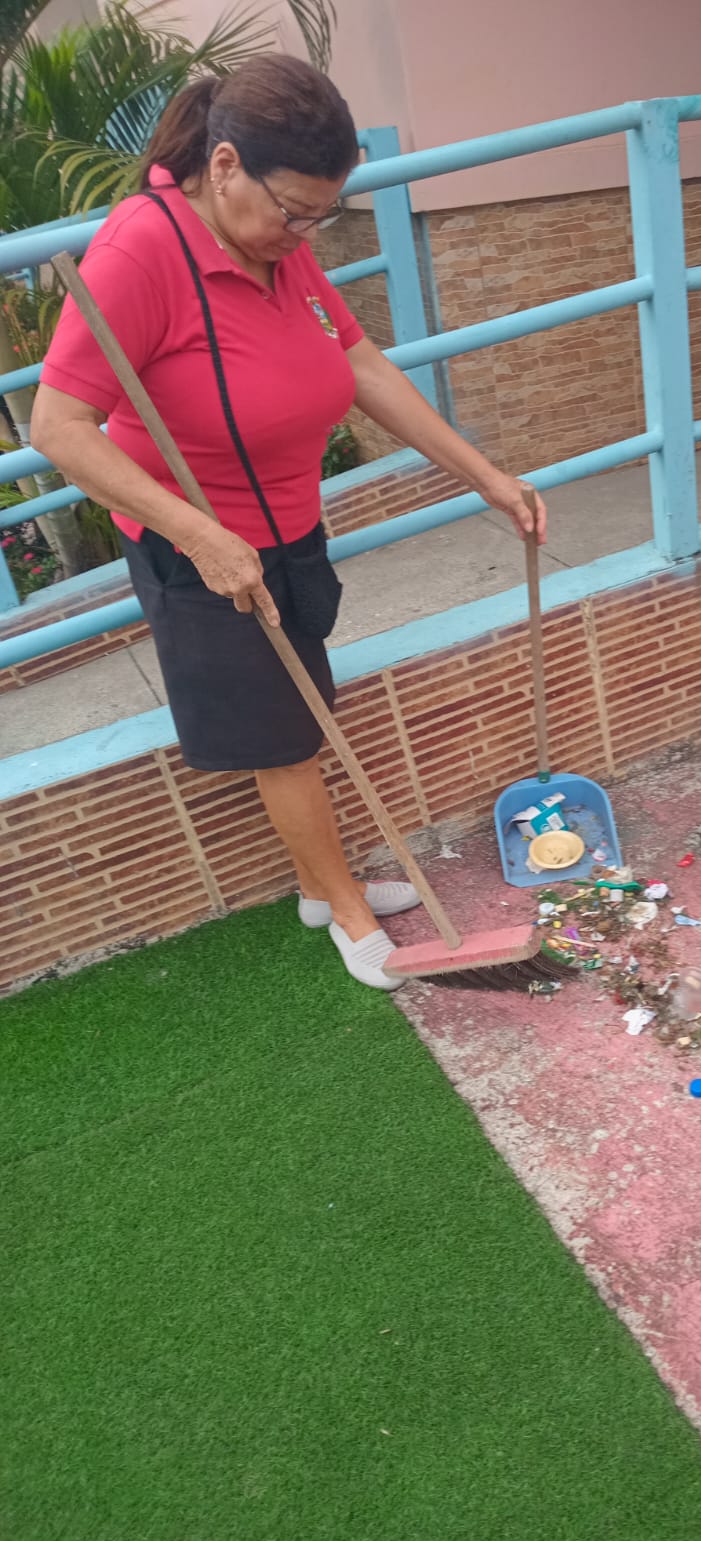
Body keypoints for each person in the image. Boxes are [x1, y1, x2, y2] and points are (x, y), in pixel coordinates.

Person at [32, 55, 547, 992]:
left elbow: (361, 363)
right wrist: (200, 535)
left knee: (307, 709)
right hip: (201, 549)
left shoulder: (274, 238)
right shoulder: (139, 253)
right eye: (294, 212)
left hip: (288, 531)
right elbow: (58, 428)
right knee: (287, 739)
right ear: (225, 165)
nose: (303, 234)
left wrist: (485, 477)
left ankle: (321, 884)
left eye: (320, 217)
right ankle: (346, 913)